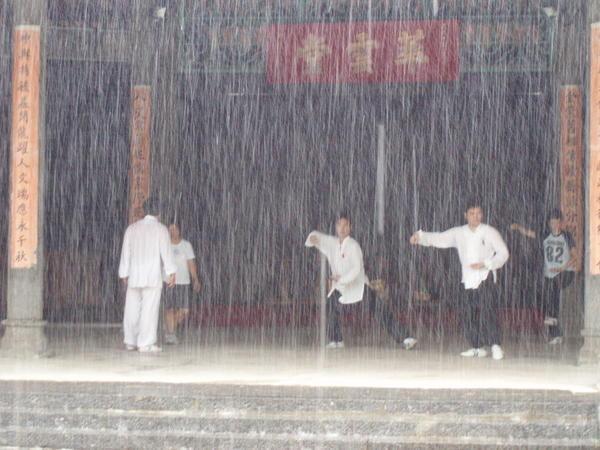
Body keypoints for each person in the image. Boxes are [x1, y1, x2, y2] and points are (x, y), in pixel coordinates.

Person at [409, 199, 509, 360]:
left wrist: (487, 264)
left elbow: (503, 253)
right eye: (472, 214)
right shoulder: (459, 232)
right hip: (468, 278)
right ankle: (477, 347)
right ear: (465, 215)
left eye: (478, 213)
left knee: (487, 312)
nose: (476, 217)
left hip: (486, 276)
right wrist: (420, 237)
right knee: (468, 314)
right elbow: (440, 238)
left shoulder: (490, 232)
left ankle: (496, 345)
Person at [118, 197, 177, 353]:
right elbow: (166, 252)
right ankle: (145, 343)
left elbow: (126, 252)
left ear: (144, 210)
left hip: (134, 275)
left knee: (131, 309)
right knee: (149, 310)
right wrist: (171, 272)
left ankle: (130, 341)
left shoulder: (132, 228)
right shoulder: (160, 229)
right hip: (152, 275)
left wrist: (124, 272)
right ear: (159, 212)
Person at [511, 209, 576, 345]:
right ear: (549, 224)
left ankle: (554, 325)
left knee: (553, 294)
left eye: (557, 222)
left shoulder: (567, 236)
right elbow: (530, 233)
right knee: (547, 299)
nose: (554, 226)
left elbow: (574, 256)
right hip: (549, 274)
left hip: (565, 273)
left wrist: (562, 267)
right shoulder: (545, 235)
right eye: (552, 223)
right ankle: (555, 332)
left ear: (561, 222)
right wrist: (518, 227)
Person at [163, 222, 202, 345]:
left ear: (179, 230)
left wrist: (195, 279)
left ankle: (169, 329)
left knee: (184, 311)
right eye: (170, 229)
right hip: (168, 281)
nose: (172, 231)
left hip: (183, 281)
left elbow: (191, 263)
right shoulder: (164, 244)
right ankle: (171, 334)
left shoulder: (186, 245)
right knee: (170, 308)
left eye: (174, 229)